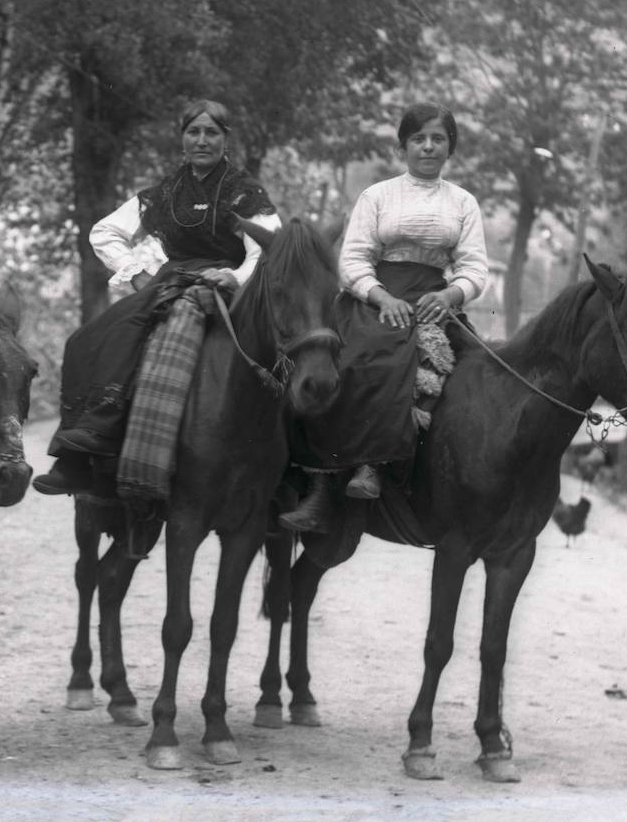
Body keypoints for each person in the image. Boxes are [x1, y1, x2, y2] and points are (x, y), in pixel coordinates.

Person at [33, 99, 281, 496]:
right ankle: (83, 447)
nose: (202, 141)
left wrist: (233, 277)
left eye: (211, 133)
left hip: (229, 284)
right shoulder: (165, 193)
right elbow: (104, 232)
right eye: (193, 132)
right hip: (170, 280)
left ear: (225, 139)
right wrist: (136, 276)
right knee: (89, 337)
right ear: (182, 138)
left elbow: (265, 248)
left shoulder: (244, 191)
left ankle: (288, 466)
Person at [280, 102, 488, 532]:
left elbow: (475, 267)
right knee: (354, 359)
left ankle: (438, 484)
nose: (428, 147)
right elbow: (353, 257)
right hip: (374, 297)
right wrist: (380, 296)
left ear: (450, 148)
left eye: (438, 139)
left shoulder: (463, 202)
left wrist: (451, 293)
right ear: (403, 147)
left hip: (434, 300)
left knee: (476, 378)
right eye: (418, 139)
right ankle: (327, 481)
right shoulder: (377, 196)